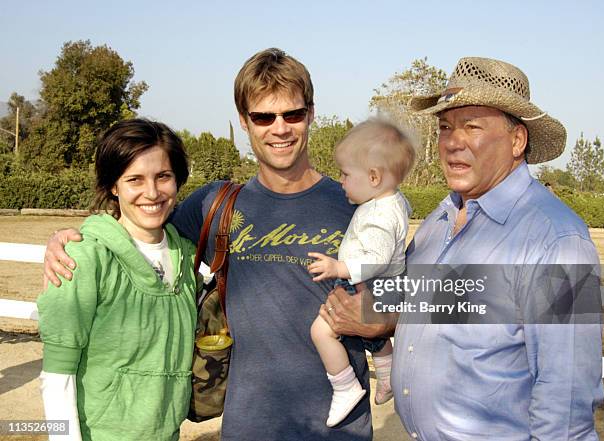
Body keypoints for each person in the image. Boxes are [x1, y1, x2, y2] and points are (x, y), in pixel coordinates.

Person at [43, 49, 389, 441]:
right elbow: (138, 223)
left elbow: (425, 290)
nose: (280, 128)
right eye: (263, 117)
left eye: (291, 114)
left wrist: (385, 320)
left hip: (338, 429)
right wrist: (70, 240)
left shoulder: (356, 202)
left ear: (310, 114)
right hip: (248, 427)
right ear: (244, 121)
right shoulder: (215, 205)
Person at [390, 57, 604, 440]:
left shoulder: (556, 241)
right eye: (444, 127)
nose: (453, 142)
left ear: (517, 140)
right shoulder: (438, 222)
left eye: (471, 126)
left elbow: (566, 401)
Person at [37, 119, 197, 441]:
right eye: (134, 179)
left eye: (163, 176)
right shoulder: (83, 258)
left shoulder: (188, 257)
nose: (151, 193)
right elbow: (57, 375)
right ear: (114, 186)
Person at [307, 118, 413, 427]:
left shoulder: (380, 214)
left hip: (374, 283)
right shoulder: (389, 201)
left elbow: (377, 259)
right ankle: (388, 376)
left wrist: (338, 267)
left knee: (321, 331)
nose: (340, 181)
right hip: (385, 285)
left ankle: (345, 386)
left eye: (345, 173)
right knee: (374, 337)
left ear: (374, 176)